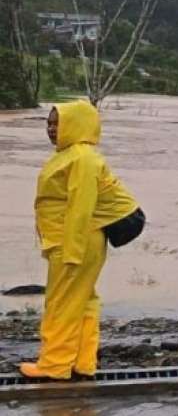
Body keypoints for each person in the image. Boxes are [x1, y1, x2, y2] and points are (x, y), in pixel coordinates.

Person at [21, 101, 140, 381]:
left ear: (76, 124)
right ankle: (82, 362)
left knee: (61, 304)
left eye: (57, 123)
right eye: (49, 123)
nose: (51, 129)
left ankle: (54, 366)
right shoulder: (70, 155)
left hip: (75, 241)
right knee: (83, 300)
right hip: (73, 240)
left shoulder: (82, 159)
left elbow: (81, 207)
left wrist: (72, 251)